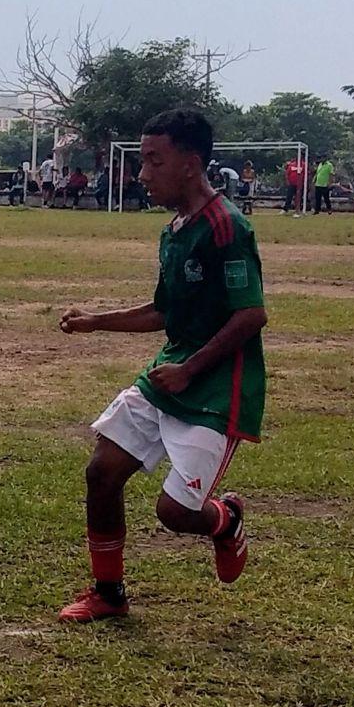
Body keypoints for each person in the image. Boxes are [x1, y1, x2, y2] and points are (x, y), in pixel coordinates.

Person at [56, 107, 264, 622]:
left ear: (190, 164)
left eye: (154, 161)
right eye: (142, 160)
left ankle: (225, 519)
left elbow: (250, 315)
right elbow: (163, 311)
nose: (142, 173)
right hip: (168, 373)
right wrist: (95, 322)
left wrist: (191, 370)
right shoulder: (174, 229)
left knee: (175, 513)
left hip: (216, 387)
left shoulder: (227, 227)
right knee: (102, 472)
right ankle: (109, 593)